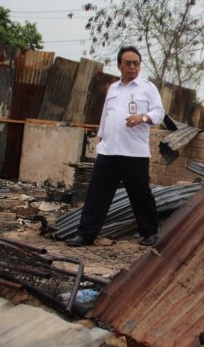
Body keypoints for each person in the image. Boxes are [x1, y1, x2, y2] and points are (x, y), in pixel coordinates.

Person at [65, 46, 165, 247]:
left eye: (136, 63)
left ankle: (150, 233)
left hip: (134, 154)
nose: (132, 67)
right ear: (119, 65)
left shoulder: (147, 87)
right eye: (128, 63)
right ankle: (85, 235)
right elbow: (105, 116)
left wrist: (142, 117)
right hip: (109, 152)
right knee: (97, 196)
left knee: (140, 196)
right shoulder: (113, 88)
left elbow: (159, 113)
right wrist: (100, 139)